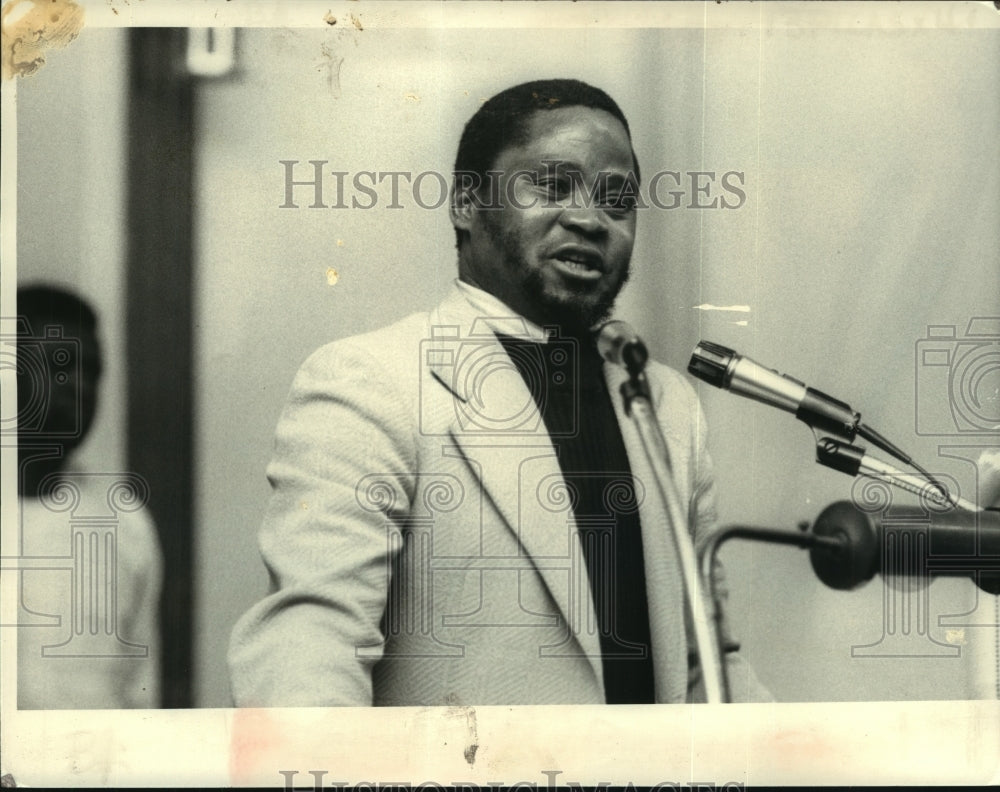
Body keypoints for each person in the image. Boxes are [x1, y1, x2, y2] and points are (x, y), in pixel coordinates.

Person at [229, 79, 769, 706]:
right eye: (551, 185)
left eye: (617, 202)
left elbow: (710, 666)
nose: (589, 219)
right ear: (465, 202)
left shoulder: (667, 406)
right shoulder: (372, 384)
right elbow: (306, 662)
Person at [15, 284, 162, 709]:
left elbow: (140, 694)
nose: (80, 386)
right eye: (60, 365)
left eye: (92, 370)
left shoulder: (124, 522)